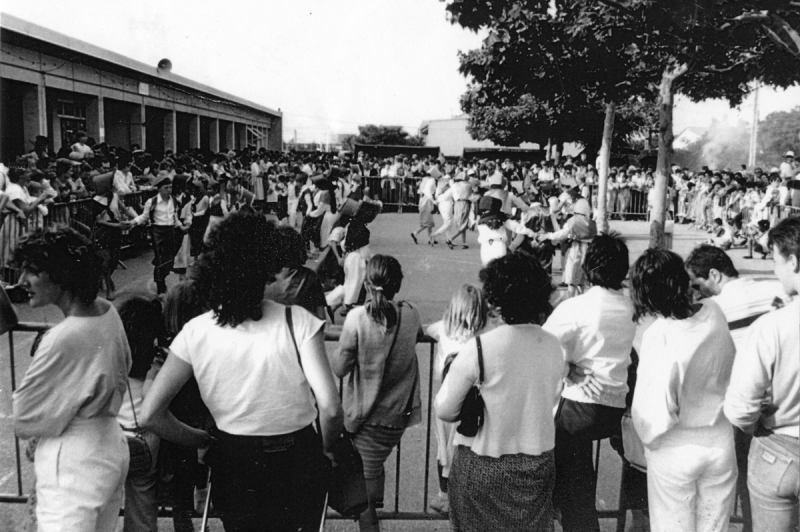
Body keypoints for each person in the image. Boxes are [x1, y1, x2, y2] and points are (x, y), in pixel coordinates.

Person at [141, 211, 343, 531]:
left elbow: (151, 413)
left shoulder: (196, 331)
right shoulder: (298, 322)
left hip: (233, 455)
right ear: (267, 268)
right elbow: (330, 408)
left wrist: (202, 439)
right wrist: (328, 449)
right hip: (296, 454)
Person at [12, 225, 131, 531]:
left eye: (32, 271)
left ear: (61, 274)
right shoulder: (108, 311)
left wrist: (60, 409)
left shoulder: (61, 336)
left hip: (71, 462)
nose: (22, 281)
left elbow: (24, 419)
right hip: (109, 446)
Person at [435, 253, 564, 532]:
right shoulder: (554, 345)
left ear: (496, 298)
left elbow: (445, 410)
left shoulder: (480, 348)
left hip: (483, 465)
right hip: (537, 464)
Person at [630, 249, 738, 532]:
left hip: (676, 447)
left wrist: (649, 442)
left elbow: (653, 411)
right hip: (720, 440)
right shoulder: (715, 312)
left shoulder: (660, 335)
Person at [685, 244, 791, 532]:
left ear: (715, 275)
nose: (697, 291)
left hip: (755, 412)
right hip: (789, 399)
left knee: (751, 485)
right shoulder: (775, 287)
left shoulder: (714, 310)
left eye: (698, 283)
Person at [543, 233, 636, 532]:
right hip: (617, 405)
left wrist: (569, 367)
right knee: (579, 476)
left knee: (571, 485)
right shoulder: (632, 308)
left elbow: (541, 346)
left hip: (578, 406)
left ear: (588, 267)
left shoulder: (577, 307)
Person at [331, 254, 423, 532]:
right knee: (370, 476)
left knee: (363, 498)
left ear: (367, 285)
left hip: (367, 417)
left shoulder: (358, 317)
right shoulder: (411, 313)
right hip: (398, 413)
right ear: (397, 284)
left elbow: (339, 367)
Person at [724, 216, 800, 532]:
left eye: (775, 259)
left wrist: (757, 426)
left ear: (793, 261)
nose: (775, 269)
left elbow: (740, 408)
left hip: (779, 448)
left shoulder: (771, 327)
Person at [426, 284, 490, 516]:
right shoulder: (486, 334)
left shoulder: (443, 329)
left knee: (444, 451)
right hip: (476, 404)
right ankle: (468, 499)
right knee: (470, 449)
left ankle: (444, 496)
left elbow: (423, 330)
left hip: (446, 401)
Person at [161, 281, 211, 532]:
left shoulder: (164, 348)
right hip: (202, 420)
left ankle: (185, 523)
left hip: (175, 425)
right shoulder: (204, 344)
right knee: (203, 477)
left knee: (180, 487)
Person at [115, 294, 163, 532]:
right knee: (142, 509)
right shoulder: (156, 364)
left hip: (111, 439)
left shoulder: (110, 358)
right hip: (144, 442)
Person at [129, 177, 187, 295]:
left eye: (170, 187)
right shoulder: (152, 202)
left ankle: (162, 278)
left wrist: (181, 227)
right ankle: (160, 284)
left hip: (171, 231)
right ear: (159, 189)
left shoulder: (174, 201)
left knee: (169, 260)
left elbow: (174, 217)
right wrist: (132, 222)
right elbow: (144, 217)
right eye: (166, 188)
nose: (169, 190)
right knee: (161, 259)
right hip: (158, 232)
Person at [265, 226, 328, 321]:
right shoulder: (309, 277)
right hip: (300, 331)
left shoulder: (264, 277)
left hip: (271, 330)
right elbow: (321, 318)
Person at [540, 197, 597, 298]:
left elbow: (562, 233)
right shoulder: (592, 223)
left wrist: (549, 235)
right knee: (582, 279)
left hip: (576, 249)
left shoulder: (573, 221)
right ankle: (581, 298)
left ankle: (571, 299)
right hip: (588, 251)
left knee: (572, 278)